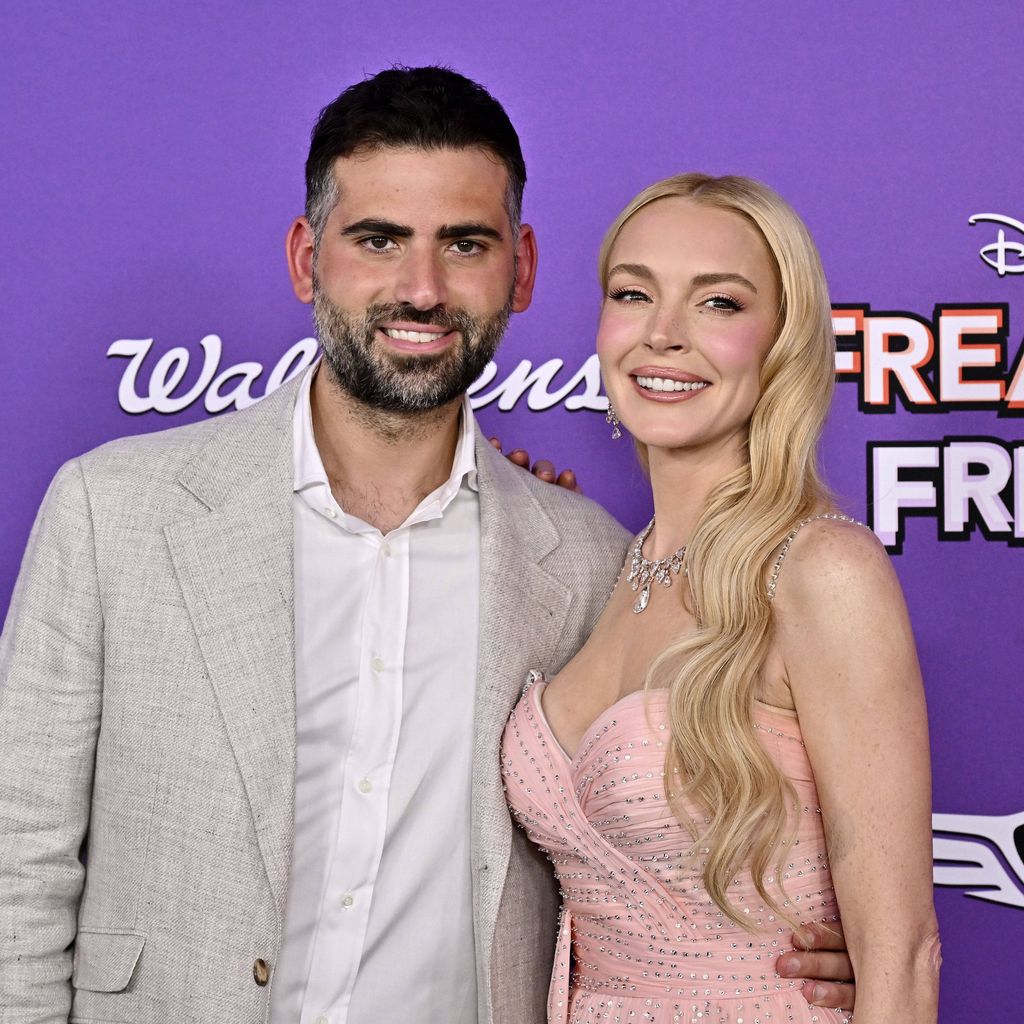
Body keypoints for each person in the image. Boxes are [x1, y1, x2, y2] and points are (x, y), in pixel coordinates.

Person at [0, 70, 857, 1024]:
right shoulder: (112, 510)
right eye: (378, 240)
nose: (422, 288)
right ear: (305, 257)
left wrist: (780, 956)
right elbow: (16, 859)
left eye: (465, 244)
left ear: (522, 268)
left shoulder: (588, 561)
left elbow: (638, 855)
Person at [503, 173, 940, 1023]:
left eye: (719, 304)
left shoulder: (820, 572)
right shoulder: (605, 568)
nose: (663, 335)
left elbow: (905, 957)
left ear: (784, 341)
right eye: (634, 294)